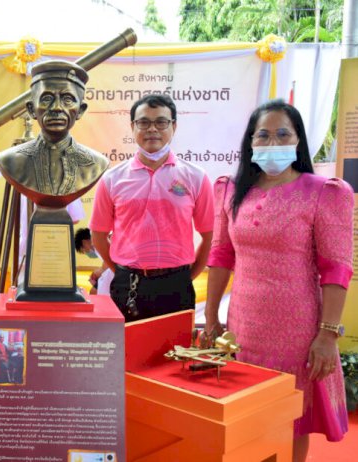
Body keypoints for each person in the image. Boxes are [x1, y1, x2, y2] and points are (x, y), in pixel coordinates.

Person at [204, 100, 353, 461]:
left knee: (290, 418)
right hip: (244, 326)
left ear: (298, 140)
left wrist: (327, 334)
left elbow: (336, 269)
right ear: (250, 141)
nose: (273, 142)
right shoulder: (229, 189)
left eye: (283, 133)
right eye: (264, 134)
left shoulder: (325, 193)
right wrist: (211, 318)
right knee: (249, 413)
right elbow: (221, 255)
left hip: (298, 330)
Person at [90, 94, 214, 321]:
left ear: (174, 126)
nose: (152, 129)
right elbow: (98, 234)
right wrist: (122, 272)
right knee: (128, 353)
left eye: (161, 122)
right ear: (132, 126)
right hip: (127, 285)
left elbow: (208, 236)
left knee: (176, 354)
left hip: (177, 285)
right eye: (144, 122)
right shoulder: (112, 179)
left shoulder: (196, 177)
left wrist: (187, 276)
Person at [0, 60, 109, 208]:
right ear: (31, 109)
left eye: (67, 99)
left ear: (80, 110)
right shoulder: (10, 160)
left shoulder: (96, 163)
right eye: (47, 99)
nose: (56, 108)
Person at [74, 227, 114, 295]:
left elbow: (112, 259)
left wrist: (101, 271)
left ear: (85, 242)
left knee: (94, 291)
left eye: (84, 250)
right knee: (94, 291)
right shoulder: (99, 244)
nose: (86, 253)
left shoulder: (100, 241)